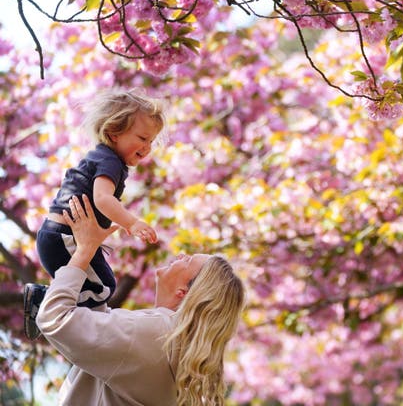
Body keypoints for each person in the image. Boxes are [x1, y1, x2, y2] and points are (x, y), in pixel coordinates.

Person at [36, 194, 245, 406]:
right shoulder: (177, 351)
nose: (181, 255)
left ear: (185, 291)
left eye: (188, 260)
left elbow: (55, 318)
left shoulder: (153, 333)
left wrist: (84, 250)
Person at [24, 89, 165, 340]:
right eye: (143, 137)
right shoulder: (110, 161)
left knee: (101, 286)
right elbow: (102, 199)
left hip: (58, 236)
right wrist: (132, 223)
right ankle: (46, 301)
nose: (148, 147)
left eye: (152, 141)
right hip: (65, 237)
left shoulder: (105, 158)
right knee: (102, 288)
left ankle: (55, 307)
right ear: (113, 132)